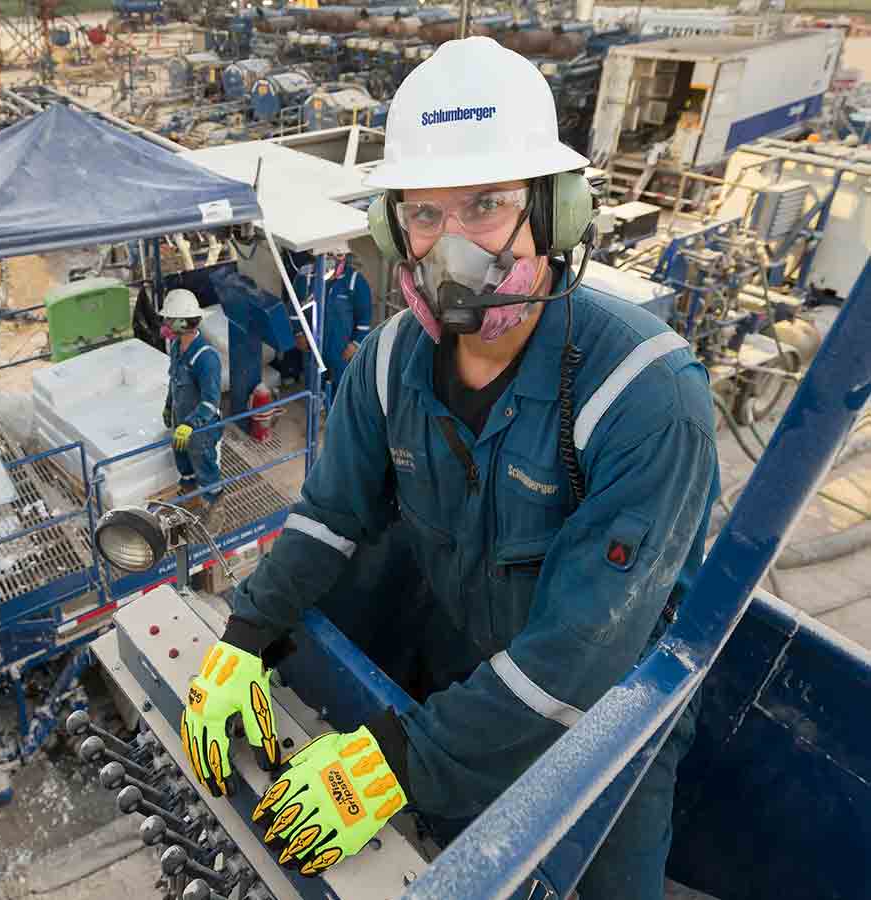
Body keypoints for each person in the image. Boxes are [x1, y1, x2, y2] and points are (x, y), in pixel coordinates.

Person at [178, 37, 719, 898]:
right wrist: (245, 634)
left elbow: (581, 656)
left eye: (487, 205)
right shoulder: (390, 363)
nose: (452, 248)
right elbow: (330, 517)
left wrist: (399, 761)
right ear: (395, 229)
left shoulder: (645, 399)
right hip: (474, 673)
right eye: (424, 215)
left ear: (555, 213)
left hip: (610, 730)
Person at [161, 289, 223, 520]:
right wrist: (169, 406)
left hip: (201, 429)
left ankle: (215, 506)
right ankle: (190, 495)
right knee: (183, 461)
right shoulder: (177, 348)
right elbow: (174, 381)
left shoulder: (206, 357)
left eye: (169, 319)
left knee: (203, 463)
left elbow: (210, 401)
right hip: (181, 421)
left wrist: (191, 425)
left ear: (183, 322)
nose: (165, 324)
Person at [290, 243, 372, 404]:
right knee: (313, 384)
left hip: (340, 347)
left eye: (335, 255)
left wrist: (355, 343)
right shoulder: (305, 277)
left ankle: (338, 413)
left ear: (343, 257)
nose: (331, 260)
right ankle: (315, 409)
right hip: (312, 344)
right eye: (326, 255)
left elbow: (365, 317)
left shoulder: (355, 281)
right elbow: (294, 308)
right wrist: (298, 333)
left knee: (342, 387)